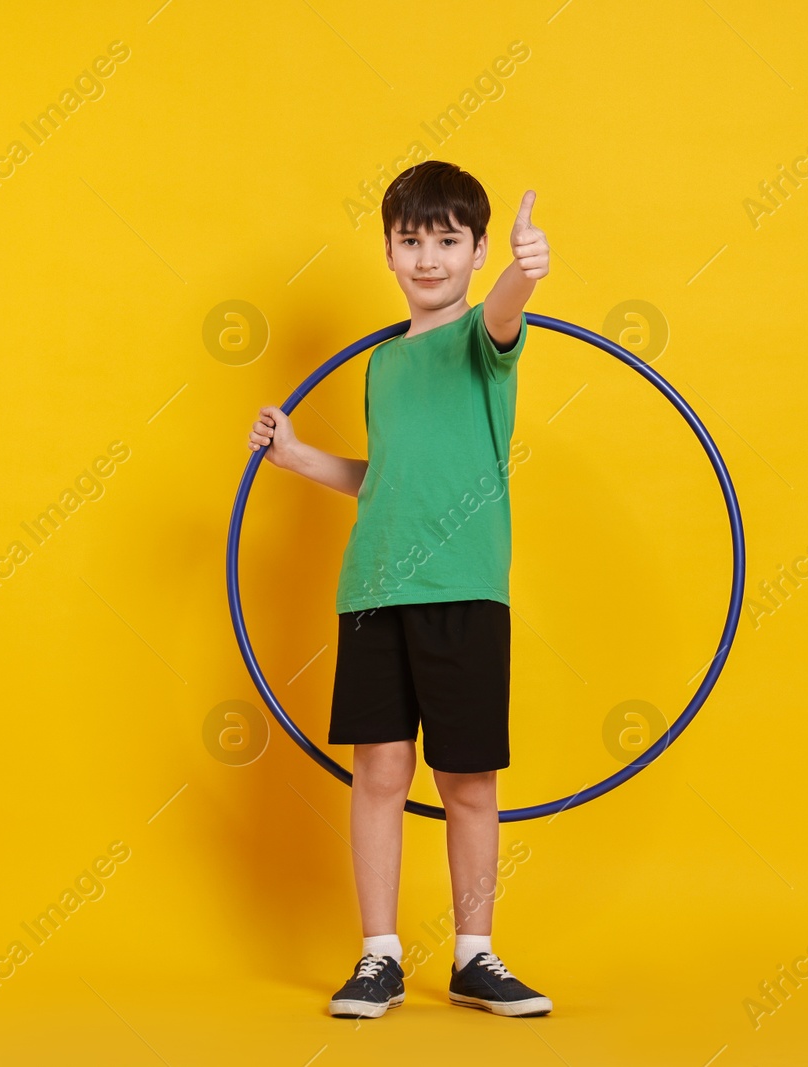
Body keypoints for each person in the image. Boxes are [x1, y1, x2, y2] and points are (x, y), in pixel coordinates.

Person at [246, 160, 552, 1018]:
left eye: (448, 241)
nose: (428, 258)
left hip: (463, 591)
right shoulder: (381, 362)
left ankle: (474, 954)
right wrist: (298, 456)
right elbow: (390, 479)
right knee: (378, 771)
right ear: (387, 249)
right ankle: (379, 954)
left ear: (477, 248)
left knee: (469, 779)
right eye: (411, 241)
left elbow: (501, 310)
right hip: (373, 591)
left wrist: (523, 272)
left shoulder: (483, 344)